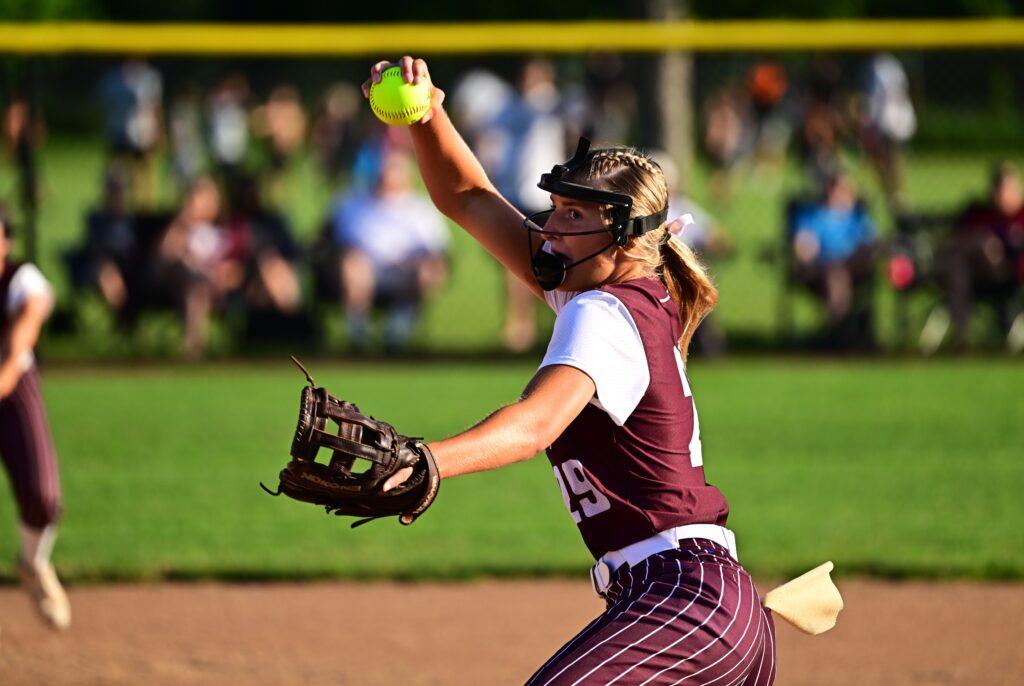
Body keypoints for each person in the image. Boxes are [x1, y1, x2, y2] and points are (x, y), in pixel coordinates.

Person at [364, 57, 776, 684]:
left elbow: (534, 427)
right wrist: (427, 115)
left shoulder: (604, 311)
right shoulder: (619, 290)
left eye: (574, 216)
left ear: (624, 238)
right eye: (556, 208)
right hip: (701, 605)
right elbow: (471, 198)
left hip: (683, 603)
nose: (552, 228)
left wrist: (427, 461)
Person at [0, 213, 71, 630]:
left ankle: (33, 563)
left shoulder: (23, 281)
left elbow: (19, 343)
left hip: (13, 390)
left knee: (43, 497)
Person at [328, 146, 449, 352]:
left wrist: (413, 262)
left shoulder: (421, 209)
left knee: (428, 269)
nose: (386, 175)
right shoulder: (351, 204)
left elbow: (437, 252)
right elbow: (330, 244)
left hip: (405, 272)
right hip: (361, 273)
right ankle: (358, 333)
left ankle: (397, 328)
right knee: (353, 264)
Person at [936, 161, 1024, 352]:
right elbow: (955, 235)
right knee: (958, 270)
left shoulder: (1020, 217)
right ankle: (962, 337)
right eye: (1000, 189)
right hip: (972, 275)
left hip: (1006, 274)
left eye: (1010, 188)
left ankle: (961, 336)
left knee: (965, 254)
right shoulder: (979, 213)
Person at [790, 172, 877, 349]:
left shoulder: (857, 218)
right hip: (821, 267)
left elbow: (872, 242)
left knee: (838, 274)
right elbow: (803, 246)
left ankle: (837, 329)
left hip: (853, 267)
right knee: (835, 274)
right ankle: (839, 330)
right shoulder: (812, 215)